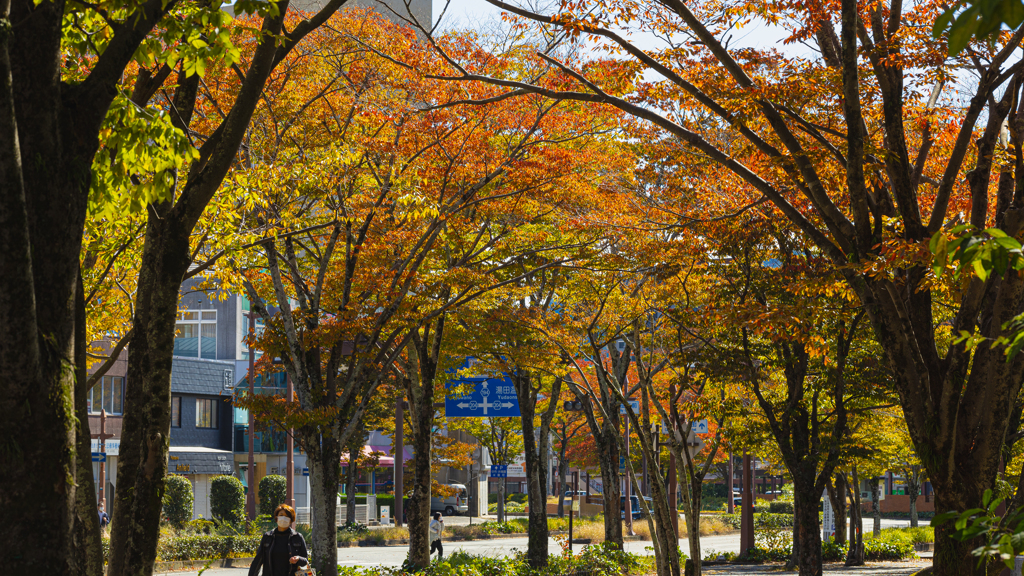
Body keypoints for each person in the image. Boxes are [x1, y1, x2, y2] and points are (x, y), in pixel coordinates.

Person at [249, 504, 308, 576]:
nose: (283, 518)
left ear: (291, 520)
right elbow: (258, 560)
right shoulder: (268, 537)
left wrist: (298, 559)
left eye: (287, 516)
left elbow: (305, 561)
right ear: (276, 517)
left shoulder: (297, 537)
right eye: (281, 515)